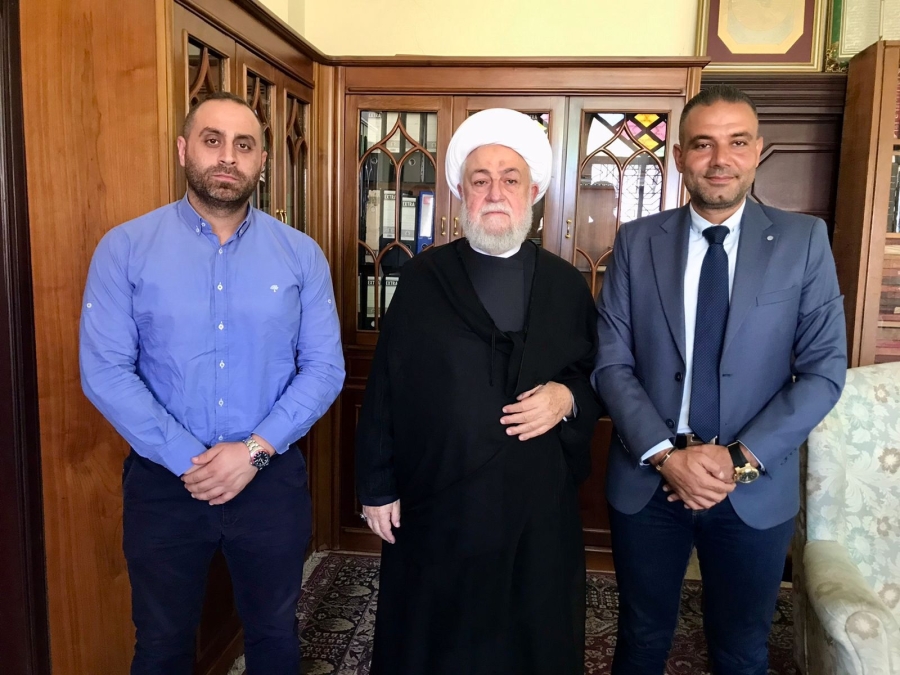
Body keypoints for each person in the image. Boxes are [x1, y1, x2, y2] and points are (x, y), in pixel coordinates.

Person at [79, 91, 345, 675]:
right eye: (212, 140)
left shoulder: (301, 256)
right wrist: (190, 460)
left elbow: (325, 368)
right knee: (161, 645)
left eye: (243, 145)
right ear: (183, 150)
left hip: (270, 480)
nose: (228, 156)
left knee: (274, 635)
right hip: (164, 485)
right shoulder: (125, 248)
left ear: (262, 161)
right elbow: (105, 370)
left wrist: (252, 452)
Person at [592, 84, 847, 674]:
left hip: (753, 487)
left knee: (741, 650)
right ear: (680, 155)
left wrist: (737, 460)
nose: (719, 159)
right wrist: (665, 456)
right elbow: (611, 362)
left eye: (736, 142)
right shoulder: (637, 241)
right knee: (641, 640)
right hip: (648, 481)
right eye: (703, 144)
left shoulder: (804, 241)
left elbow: (823, 370)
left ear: (758, 150)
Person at [355, 108, 601, 675]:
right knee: (435, 641)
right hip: (440, 502)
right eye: (480, 180)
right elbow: (385, 387)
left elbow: (596, 375)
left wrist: (566, 398)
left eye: (510, 179)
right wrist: (376, 486)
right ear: (461, 194)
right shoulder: (422, 279)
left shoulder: (566, 285)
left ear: (533, 193)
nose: (495, 193)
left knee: (530, 638)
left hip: (536, 507)